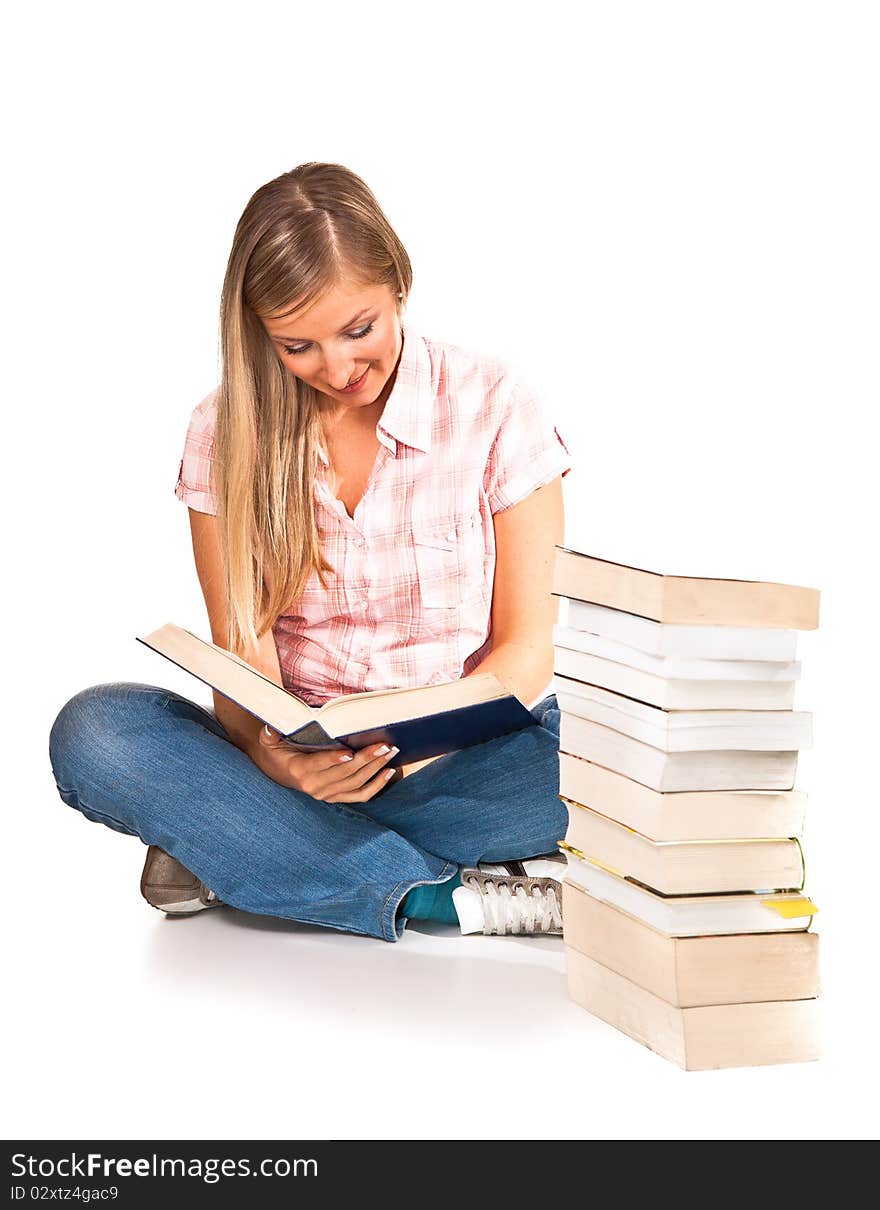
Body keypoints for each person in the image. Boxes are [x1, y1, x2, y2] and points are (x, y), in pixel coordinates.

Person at [48, 161, 574, 942]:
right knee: (94, 732)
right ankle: (435, 895)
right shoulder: (223, 430)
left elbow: (526, 646)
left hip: (464, 765)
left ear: (398, 283)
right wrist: (281, 768)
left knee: (612, 771)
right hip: (299, 770)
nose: (337, 369)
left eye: (358, 330)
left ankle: (237, 847)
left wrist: (420, 751)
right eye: (298, 345)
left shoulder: (497, 405)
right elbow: (243, 655)